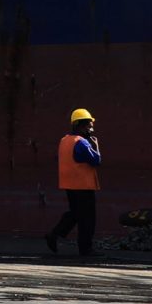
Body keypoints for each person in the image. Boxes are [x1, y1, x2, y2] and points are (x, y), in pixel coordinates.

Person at [44, 107, 101, 258]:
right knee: (87, 219)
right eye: (89, 125)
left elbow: (61, 159)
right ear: (79, 125)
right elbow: (96, 160)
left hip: (69, 185)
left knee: (75, 213)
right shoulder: (82, 143)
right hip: (83, 186)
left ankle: (54, 234)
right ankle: (86, 249)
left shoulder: (64, 141)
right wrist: (96, 146)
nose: (91, 129)